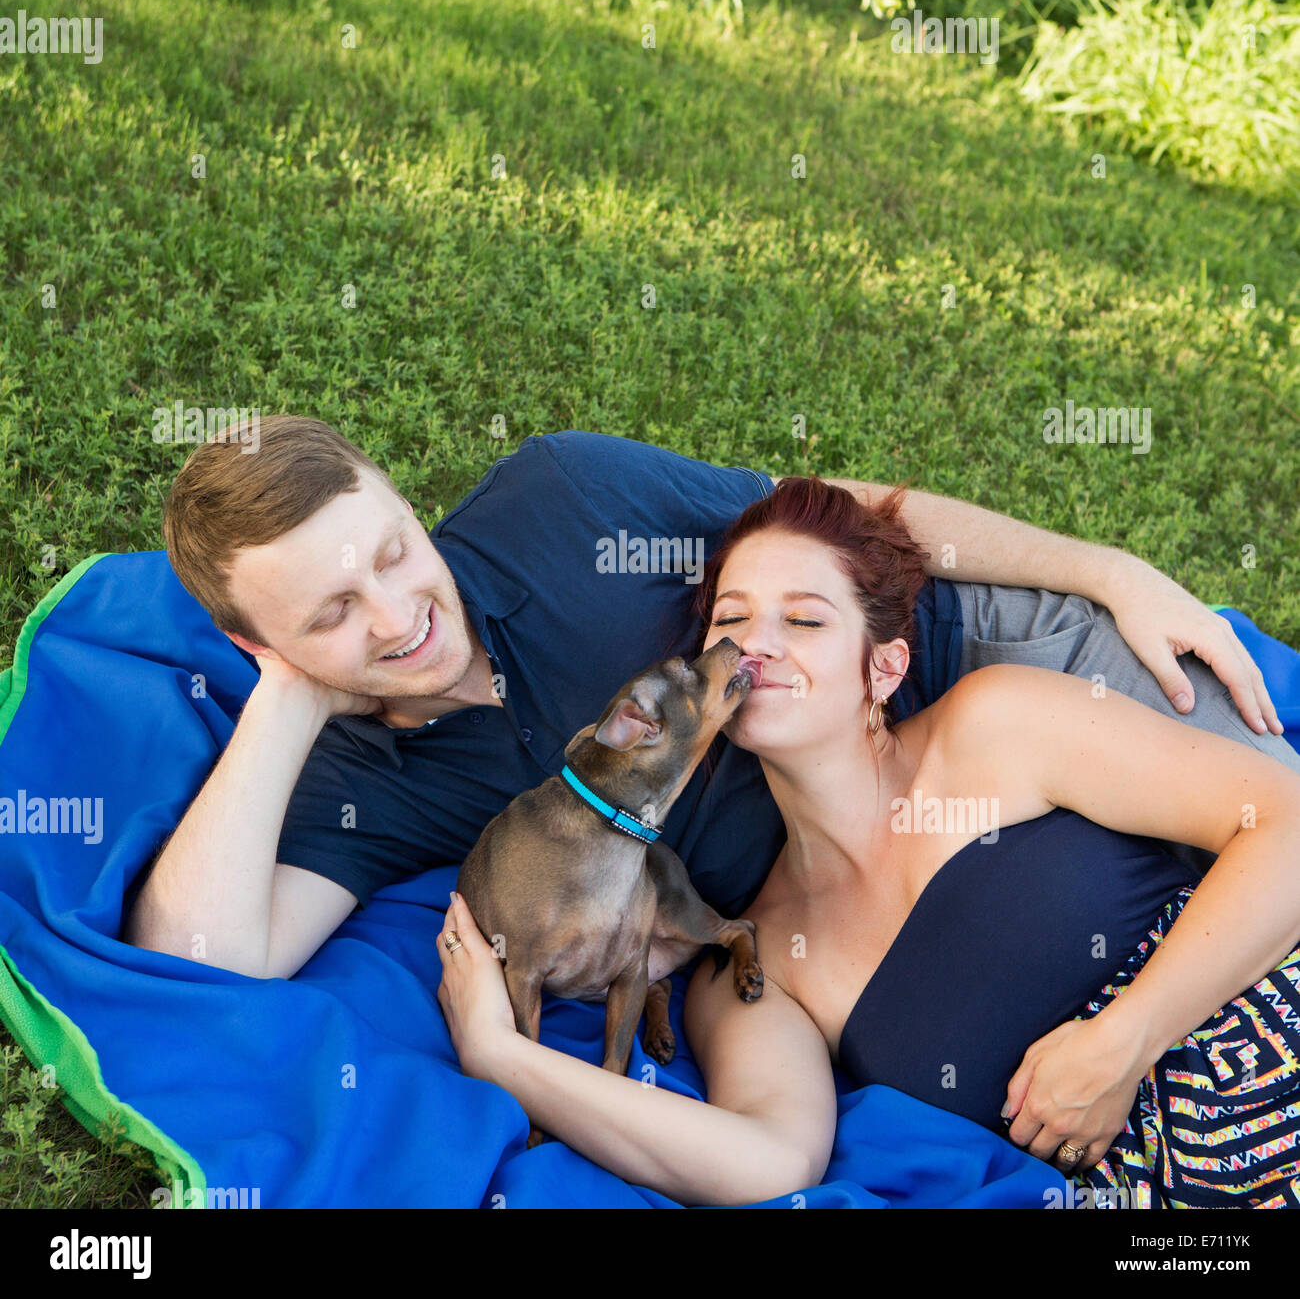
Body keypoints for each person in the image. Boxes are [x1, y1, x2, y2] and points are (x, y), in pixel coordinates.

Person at [129, 413, 1291, 998]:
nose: (395, 619)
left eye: (389, 551)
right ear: (255, 643)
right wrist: (285, 702)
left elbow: (843, 523)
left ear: (397, 495)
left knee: (1276, 843)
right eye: (327, 616)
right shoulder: (358, 787)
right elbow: (197, 967)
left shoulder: (563, 497)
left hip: (966, 654)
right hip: (880, 850)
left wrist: (1106, 572)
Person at [436, 477, 1300, 1207]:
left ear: (883, 669)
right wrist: (502, 1054)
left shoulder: (997, 726)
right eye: (731, 620)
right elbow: (768, 1159)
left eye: (805, 622)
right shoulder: (761, 953)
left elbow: (1285, 822)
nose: (758, 645)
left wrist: (1127, 1038)